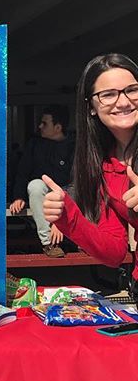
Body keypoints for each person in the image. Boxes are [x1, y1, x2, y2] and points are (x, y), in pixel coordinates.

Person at [44, 53, 138, 280]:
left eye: (132, 90)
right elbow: (114, 253)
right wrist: (69, 218)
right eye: (108, 95)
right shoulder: (103, 167)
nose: (124, 101)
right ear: (91, 107)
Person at [9, 105, 75, 257]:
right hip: (42, 194)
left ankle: (76, 240)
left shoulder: (74, 147)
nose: (40, 126)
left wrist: (60, 223)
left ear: (58, 127)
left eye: (44, 123)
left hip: (67, 195)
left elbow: (77, 184)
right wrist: (18, 197)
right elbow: (23, 172)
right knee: (35, 185)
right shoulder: (34, 145)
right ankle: (48, 244)